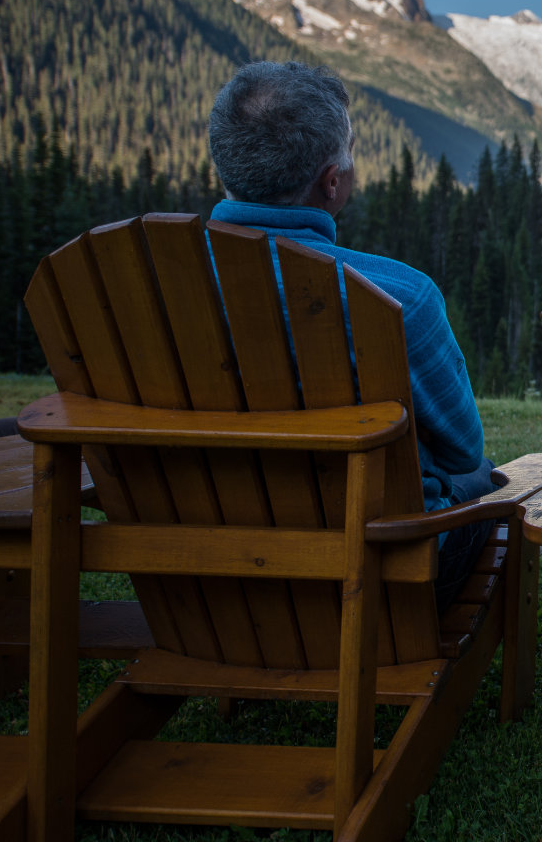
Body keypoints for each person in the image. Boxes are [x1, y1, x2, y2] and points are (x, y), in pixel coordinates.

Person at [206, 61, 494, 609]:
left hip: (203, 576)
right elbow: (460, 449)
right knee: (482, 473)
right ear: (331, 182)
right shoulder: (395, 296)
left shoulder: (141, 286)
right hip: (373, 575)